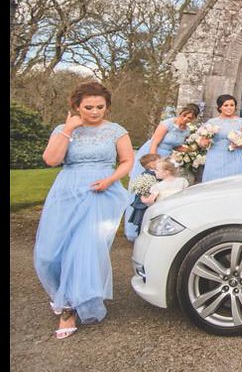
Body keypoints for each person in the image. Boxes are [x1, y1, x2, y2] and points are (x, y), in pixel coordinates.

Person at [34, 80, 134, 339]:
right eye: (88, 107)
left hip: (100, 193)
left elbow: (127, 161)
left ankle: (69, 309)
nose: (94, 111)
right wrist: (68, 129)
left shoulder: (115, 131)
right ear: (77, 106)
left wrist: (111, 179)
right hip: (66, 192)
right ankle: (61, 293)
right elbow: (51, 160)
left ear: (107, 107)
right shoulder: (64, 128)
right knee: (48, 254)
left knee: (83, 251)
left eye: (100, 107)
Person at [128, 103, 200, 181]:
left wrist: (191, 149)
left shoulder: (187, 131)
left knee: (159, 178)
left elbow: (175, 146)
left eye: (189, 118)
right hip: (153, 150)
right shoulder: (167, 123)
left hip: (165, 155)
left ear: (193, 119)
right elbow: (155, 142)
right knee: (145, 176)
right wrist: (153, 159)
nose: (185, 119)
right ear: (181, 113)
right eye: (184, 115)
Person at [199, 94, 242, 182]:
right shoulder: (211, 122)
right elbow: (202, 142)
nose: (229, 108)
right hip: (216, 156)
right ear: (220, 107)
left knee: (234, 183)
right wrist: (204, 142)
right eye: (226, 105)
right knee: (213, 183)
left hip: (235, 157)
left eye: (232, 105)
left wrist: (238, 144)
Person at [124, 153, 160, 242]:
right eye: (159, 161)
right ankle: (141, 239)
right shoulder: (149, 175)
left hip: (147, 201)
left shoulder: (152, 174)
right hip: (143, 203)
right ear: (152, 164)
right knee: (143, 220)